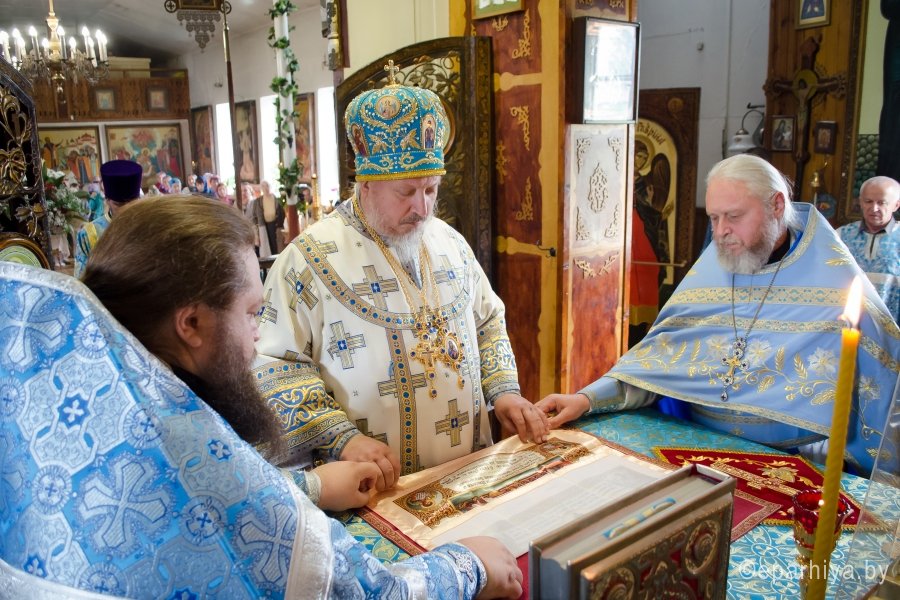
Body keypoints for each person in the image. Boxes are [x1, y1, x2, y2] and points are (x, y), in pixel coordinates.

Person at [0, 196, 522, 599]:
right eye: (251, 312)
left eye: (431, 187)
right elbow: (357, 590)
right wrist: (468, 566)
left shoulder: (83, 402)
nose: (258, 334)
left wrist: (311, 486)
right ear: (191, 323)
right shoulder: (185, 444)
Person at [254, 68, 548, 490]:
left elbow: (487, 322)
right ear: (366, 184)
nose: (423, 209)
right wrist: (342, 437)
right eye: (406, 192)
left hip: (470, 475)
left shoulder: (450, 243)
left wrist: (503, 391)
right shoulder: (307, 261)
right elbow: (275, 367)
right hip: (376, 490)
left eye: (431, 190)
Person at [538, 154, 899, 476]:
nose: (721, 232)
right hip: (691, 450)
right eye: (714, 217)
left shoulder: (835, 282)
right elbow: (656, 362)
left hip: (792, 463)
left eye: (734, 216)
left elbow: (881, 393)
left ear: (776, 205)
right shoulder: (713, 269)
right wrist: (586, 399)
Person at [837, 176, 900, 323]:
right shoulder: (840, 236)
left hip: (893, 325)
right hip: (848, 324)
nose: (874, 208)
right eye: (868, 201)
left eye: (882, 202)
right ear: (860, 202)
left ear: (896, 205)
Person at [73, 159, 142, 277]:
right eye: (119, 204)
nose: (126, 209)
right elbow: (81, 280)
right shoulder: (89, 233)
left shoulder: (151, 226)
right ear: (107, 200)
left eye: (132, 203)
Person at [252, 180, 284, 256]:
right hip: (263, 226)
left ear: (270, 187)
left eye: (267, 186)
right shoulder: (258, 201)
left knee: (275, 246)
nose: (266, 188)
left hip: (275, 226)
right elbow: (254, 217)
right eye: (263, 186)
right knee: (266, 247)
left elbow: (282, 213)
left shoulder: (276, 199)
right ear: (261, 189)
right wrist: (256, 232)